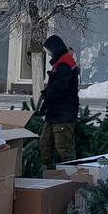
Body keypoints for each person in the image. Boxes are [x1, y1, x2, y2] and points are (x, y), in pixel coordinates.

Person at [37, 34, 80, 168]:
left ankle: (70, 177)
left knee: (64, 149)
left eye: (50, 52)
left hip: (63, 114)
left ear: (55, 49)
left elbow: (61, 87)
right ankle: (48, 173)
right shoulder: (61, 62)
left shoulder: (64, 64)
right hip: (55, 113)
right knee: (45, 144)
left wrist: (49, 94)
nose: (49, 55)